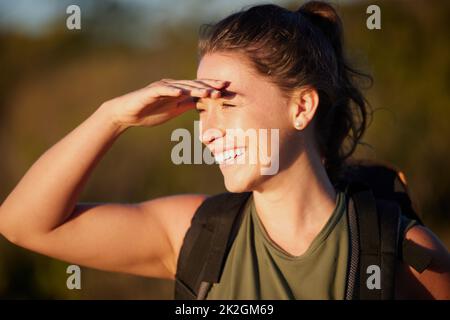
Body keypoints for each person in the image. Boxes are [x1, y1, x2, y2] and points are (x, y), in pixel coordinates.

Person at [0, 1, 449, 299]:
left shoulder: (397, 252)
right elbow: (22, 224)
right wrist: (112, 117)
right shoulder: (196, 235)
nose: (207, 131)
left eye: (227, 102)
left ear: (302, 106)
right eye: (201, 107)